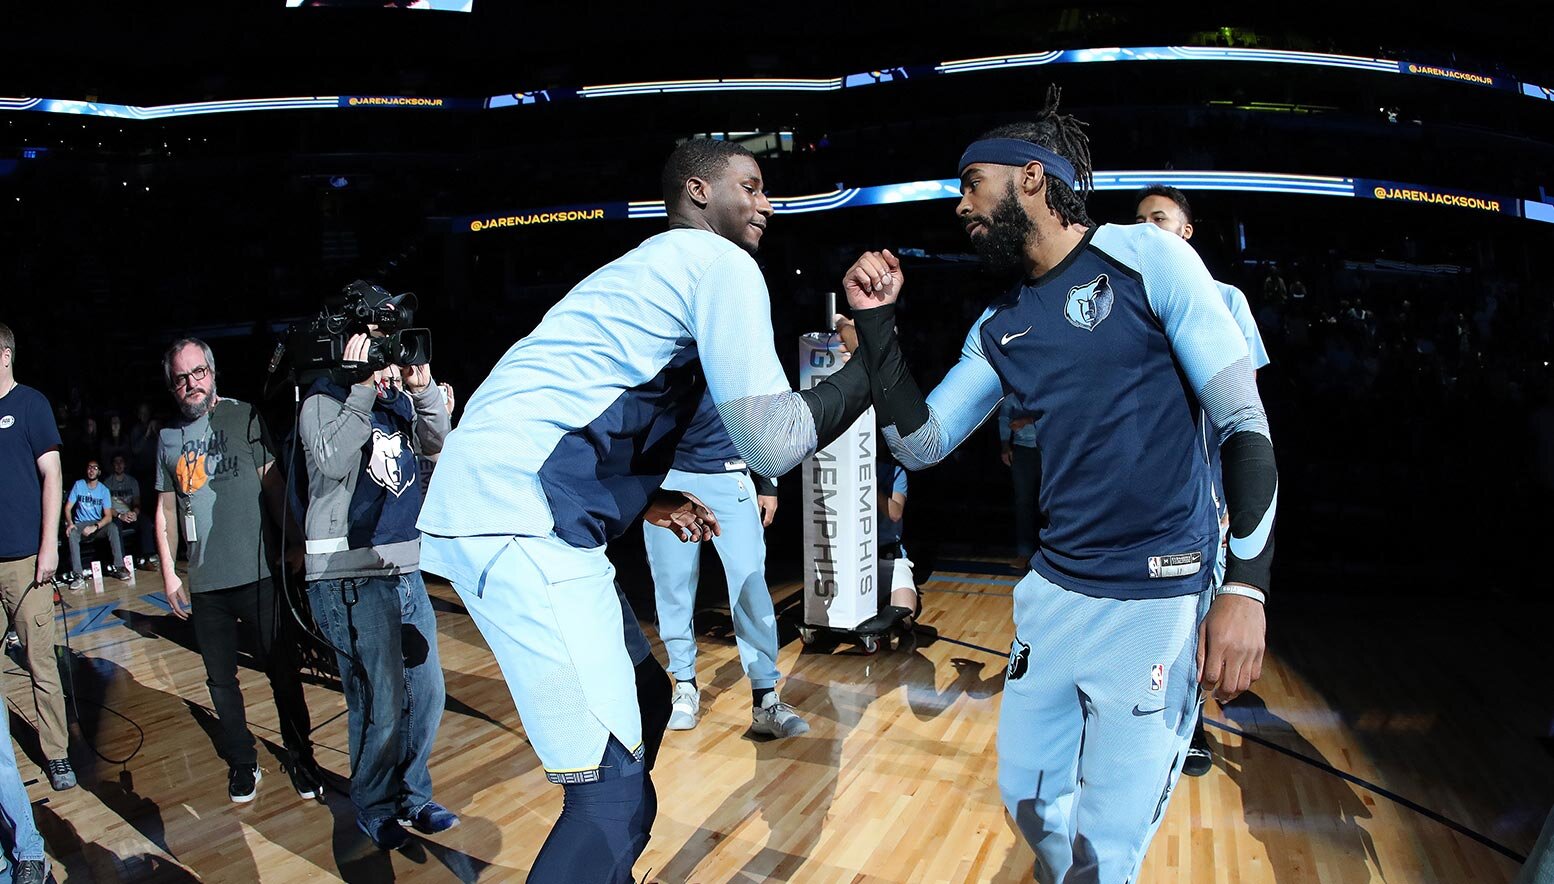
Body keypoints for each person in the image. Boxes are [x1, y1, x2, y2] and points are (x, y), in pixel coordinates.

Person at [839, 87, 1276, 883]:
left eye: (972, 183)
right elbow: (925, 441)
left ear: (1032, 178)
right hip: (1054, 591)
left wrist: (1246, 589)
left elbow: (1246, 428)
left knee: (1106, 851)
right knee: (1028, 803)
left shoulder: (1152, 258)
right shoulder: (998, 321)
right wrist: (877, 328)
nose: (960, 204)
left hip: (1156, 602)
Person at [416, 139, 873, 882]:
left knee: (645, 695)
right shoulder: (717, 263)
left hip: (507, 498)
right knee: (611, 798)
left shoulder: (645, 267)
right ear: (698, 191)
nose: (765, 204)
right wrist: (865, 369)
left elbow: (574, 399)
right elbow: (775, 439)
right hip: (519, 516)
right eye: (751, 187)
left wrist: (647, 497)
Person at [299, 323, 457, 850]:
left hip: (403, 563)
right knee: (380, 700)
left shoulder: (397, 400)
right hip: (349, 570)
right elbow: (332, 460)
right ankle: (374, 804)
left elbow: (437, 446)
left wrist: (423, 389)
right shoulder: (323, 397)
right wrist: (362, 386)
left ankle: (413, 796)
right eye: (376, 340)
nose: (387, 352)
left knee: (428, 693)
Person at [1135, 184, 1272, 777]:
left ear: (1187, 231)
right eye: (1138, 221)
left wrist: (1225, 494)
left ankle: (1188, 727)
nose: (1147, 229)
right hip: (1137, 488)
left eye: (1159, 219)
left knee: (1194, 611)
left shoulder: (1225, 301)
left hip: (1201, 487)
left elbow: (1244, 415)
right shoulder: (1123, 302)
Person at [153, 337, 323, 804]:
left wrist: (294, 541)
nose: (191, 384)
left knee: (282, 673)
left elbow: (274, 483)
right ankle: (244, 764)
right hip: (206, 583)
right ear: (173, 386)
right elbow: (165, 513)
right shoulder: (167, 440)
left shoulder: (244, 415)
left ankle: (302, 756)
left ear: (212, 372)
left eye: (198, 373)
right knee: (220, 682)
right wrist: (170, 574)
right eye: (181, 378)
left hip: (260, 572)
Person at [643, 390, 806, 737]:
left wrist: (768, 482)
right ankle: (684, 685)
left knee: (751, 586)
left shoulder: (736, 341)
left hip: (730, 472)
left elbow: (764, 406)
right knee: (672, 585)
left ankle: (765, 698)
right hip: (668, 474)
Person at [0, 323, 76, 793]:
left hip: (26, 562)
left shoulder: (30, 404)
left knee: (40, 662)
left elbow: (52, 474)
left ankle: (58, 753)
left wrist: (49, 546)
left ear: (5, 354)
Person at [63, 459, 131, 586]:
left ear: (99, 472)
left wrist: (95, 526)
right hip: (80, 524)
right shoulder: (79, 485)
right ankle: (78, 575)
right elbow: (67, 508)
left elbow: (108, 516)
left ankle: (119, 567)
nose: (91, 470)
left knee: (113, 527)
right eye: (89, 467)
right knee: (72, 533)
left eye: (95, 468)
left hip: (96, 524)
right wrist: (70, 523)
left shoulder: (103, 490)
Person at [997, 400, 1041, 560]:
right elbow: (1003, 417)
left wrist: (1028, 420)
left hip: (1048, 449)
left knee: (1051, 501)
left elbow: (1057, 413)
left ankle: (1054, 553)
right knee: (1023, 502)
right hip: (1022, 449)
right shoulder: (1012, 391)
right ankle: (1025, 553)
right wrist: (1005, 446)